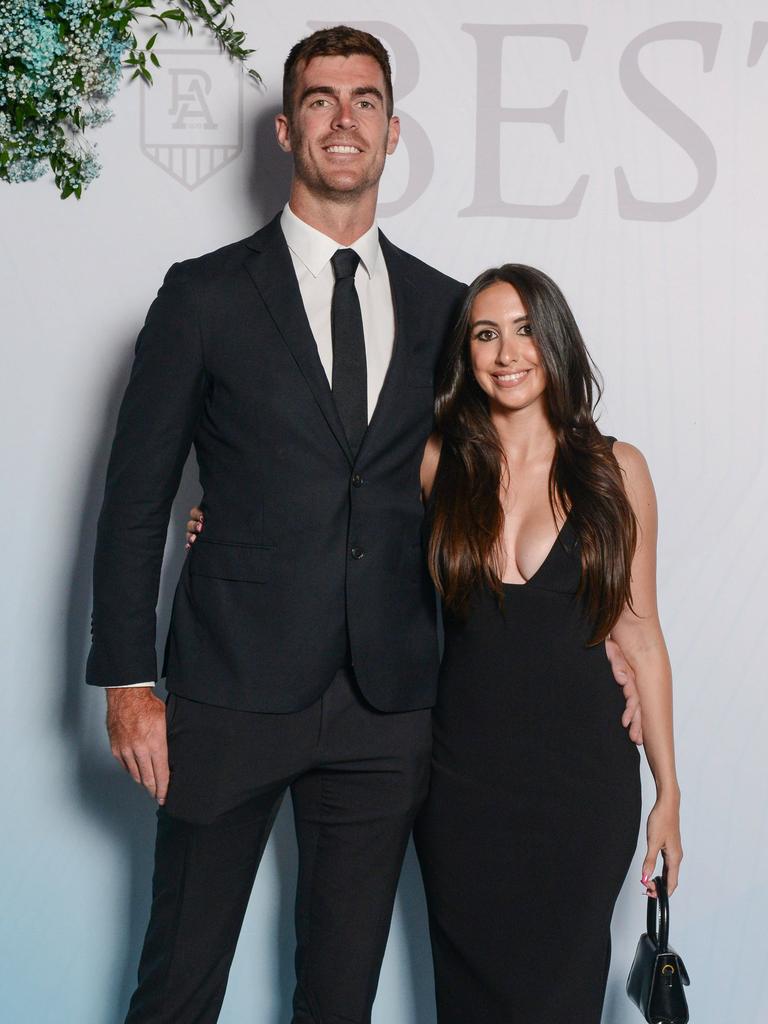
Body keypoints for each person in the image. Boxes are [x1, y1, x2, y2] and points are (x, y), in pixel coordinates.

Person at [89, 25, 640, 1024]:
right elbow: (133, 500)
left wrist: (624, 649)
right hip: (229, 690)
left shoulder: (445, 310)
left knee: (339, 997)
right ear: (286, 131)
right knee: (179, 983)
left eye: (366, 102)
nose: (343, 119)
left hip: (390, 712)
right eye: (320, 99)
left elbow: (514, 462)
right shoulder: (203, 296)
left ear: (393, 135)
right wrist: (131, 683)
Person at [413, 265, 683, 1023]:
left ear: (554, 341)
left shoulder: (615, 471)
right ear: (465, 355)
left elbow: (644, 636)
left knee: (562, 993)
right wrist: (217, 512)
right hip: (460, 787)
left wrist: (668, 792)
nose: (508, 353)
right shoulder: (436, 464)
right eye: (486, 334)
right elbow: (325, 509)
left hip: (582, 786)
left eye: (526, 330)